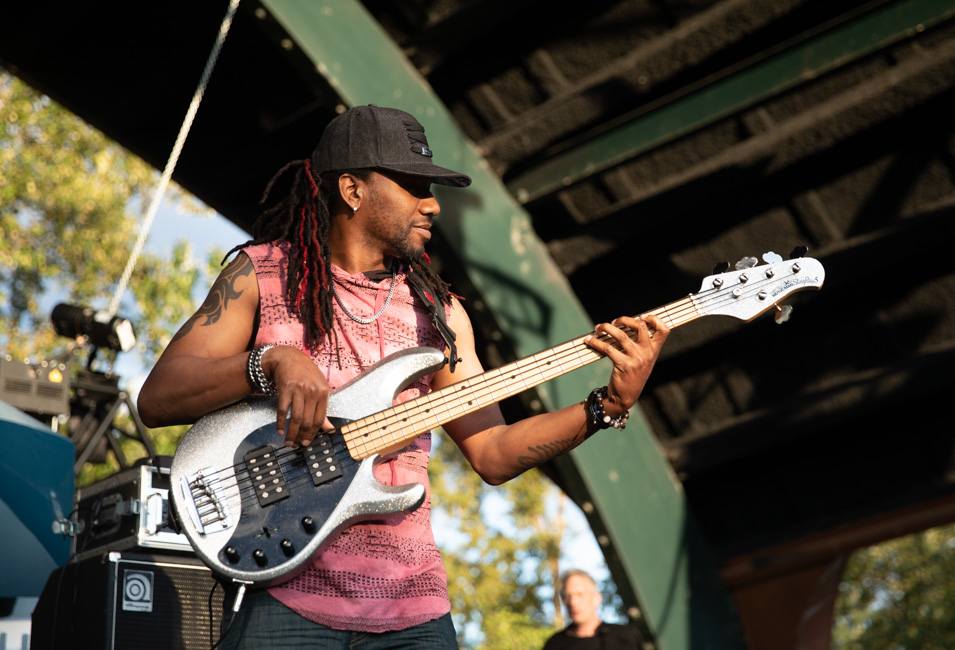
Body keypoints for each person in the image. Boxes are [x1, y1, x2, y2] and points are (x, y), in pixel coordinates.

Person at [137, 104, 669, 648]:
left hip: (414, 613)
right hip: (283, 594)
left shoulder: (439, 312)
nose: (433, 204)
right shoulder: (261, 273)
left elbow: (493, 451)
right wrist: (270, 361)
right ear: (352, 189)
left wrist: (607, 405)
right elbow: (157, 398)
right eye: (414, 186)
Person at [544, 569, 644, 649]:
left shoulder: (625, 637)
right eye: (567, 596)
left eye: (580, 594)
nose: (573, 602)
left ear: (597, 598)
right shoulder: (555, 644)